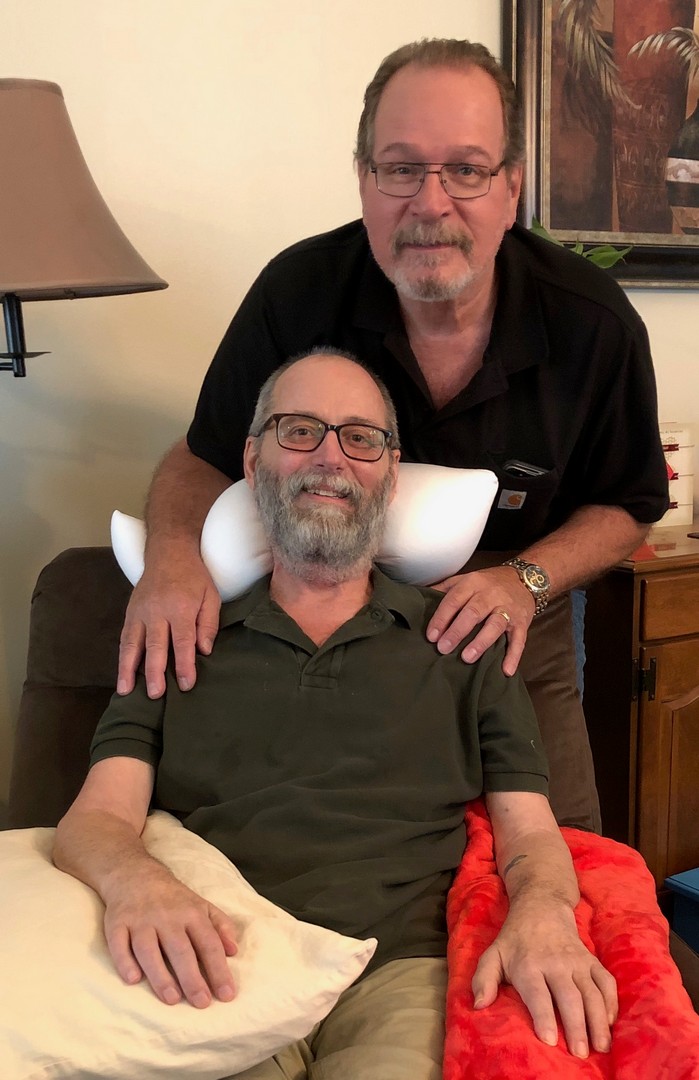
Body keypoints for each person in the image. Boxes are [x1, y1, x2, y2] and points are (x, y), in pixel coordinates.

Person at [116, 39, 669, 833]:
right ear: (363, 179)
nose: (430, 204)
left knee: (543, 842)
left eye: (466, 170)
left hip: (503, 608)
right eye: (401, 168)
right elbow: (203, 453)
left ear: (511, 186)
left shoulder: (592, 325)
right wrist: (170, 559)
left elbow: (628, 502)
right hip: (310, 606)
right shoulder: (296, 292)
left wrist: (525, 582)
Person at [54, 353, 618, 1078]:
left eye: (360, 437)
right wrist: (138, 886)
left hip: (400, 974)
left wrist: (544, 915)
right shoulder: (175, 632)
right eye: (299, 430)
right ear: (252, 461)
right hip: (221, 962)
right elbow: (96, 819)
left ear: (390, 472)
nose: (330, 457)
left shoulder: (465, 637)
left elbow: (530, 832)